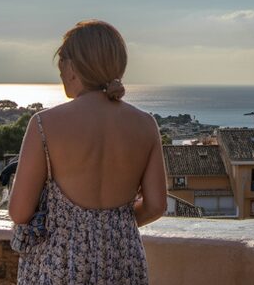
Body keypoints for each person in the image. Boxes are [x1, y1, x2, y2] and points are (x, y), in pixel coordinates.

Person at [9, 20, 167, 284]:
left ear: (73, 68)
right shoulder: (146, 124)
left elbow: (20, 212)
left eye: (61, 63)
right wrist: (111, 225)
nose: (60, 74)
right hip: (123, 259)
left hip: (61, 262)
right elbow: (156, 205)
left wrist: (78, 228)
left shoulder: (44, 124)